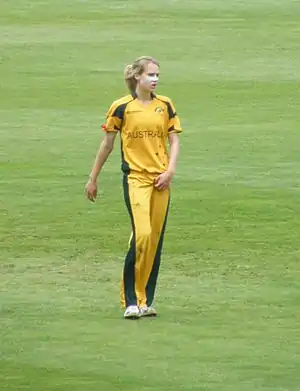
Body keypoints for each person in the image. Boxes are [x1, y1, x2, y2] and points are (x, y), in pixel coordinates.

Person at [85, 56, 182, 319]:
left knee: (154, 240)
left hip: (161, 181)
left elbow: (174, 141)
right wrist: (93, 178)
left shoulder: (165, 105)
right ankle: (130, 300)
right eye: (150, 75)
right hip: (136, 179)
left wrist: (170, 171)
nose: (155, 80)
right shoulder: (121, 107)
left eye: (158, 75)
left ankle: (145, 300)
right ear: (137, 77)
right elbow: (107, 144)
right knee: (142, 235)